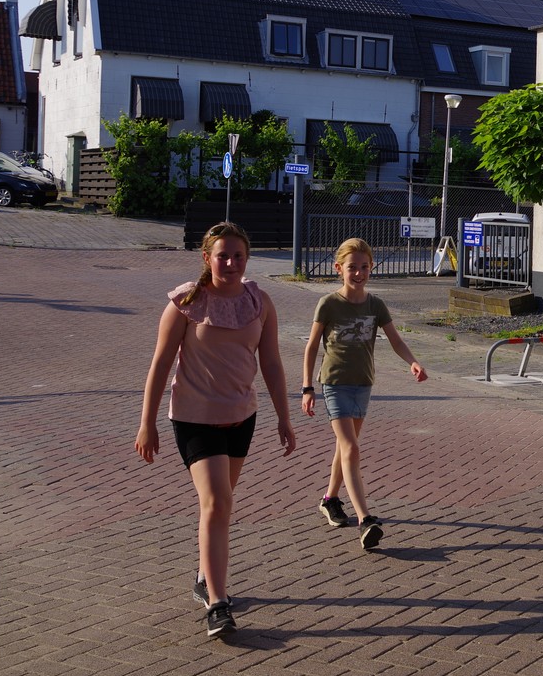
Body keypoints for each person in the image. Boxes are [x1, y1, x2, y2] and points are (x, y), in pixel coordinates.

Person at [136, 221, 295, 638]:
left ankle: (205, 575)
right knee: (218, 503)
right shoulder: (186, 302)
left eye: (238, 256)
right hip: (194, 419)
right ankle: (218, 604)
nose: (231, 263)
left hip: (241, 417)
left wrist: (284, 417)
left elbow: (271, 363)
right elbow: (160, 364)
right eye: (222, 256)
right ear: (207, 258)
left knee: (221, 506)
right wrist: (147, 422)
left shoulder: (259, 302)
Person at [302, 237, 427, 551]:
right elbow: (312, 346)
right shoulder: (328, 303)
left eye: (364, 267)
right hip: (334, 383)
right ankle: (365, 518)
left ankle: (330, 499)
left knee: (346, 448)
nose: (358, 273)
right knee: (351, 448)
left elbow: (396, 340)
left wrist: (412, 362)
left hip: (363, 384)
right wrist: (307, 387)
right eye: (351, 267)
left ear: (371, 268)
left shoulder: (376, 305)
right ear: (339, 269)